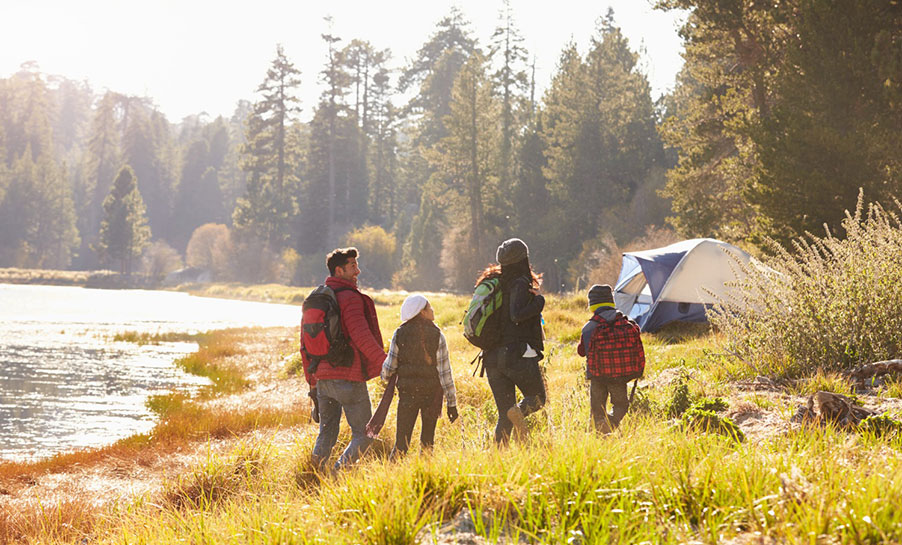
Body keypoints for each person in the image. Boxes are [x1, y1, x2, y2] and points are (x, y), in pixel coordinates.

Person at [302, 247, 387, 471]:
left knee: (326, 433)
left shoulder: (316, 299)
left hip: (322, 379)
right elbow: (361, 336)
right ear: (339, 271)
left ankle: (314, 476)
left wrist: (312, 381)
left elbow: (304, 345)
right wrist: (387, 363)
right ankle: (337, 473)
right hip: (348, 377)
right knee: (366, 433)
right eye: (353, 266)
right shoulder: (349, 298)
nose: (358, 271)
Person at [479, 238, 547, 444]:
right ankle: (517, 412)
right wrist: (539, 301)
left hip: (491, 357)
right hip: (516, 354)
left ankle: (499, 457)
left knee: (504, 413)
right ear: (524, 259)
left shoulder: (495, 283)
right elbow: (516, 314)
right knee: (537, 399)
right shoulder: (520, 283)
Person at [380, 294, 458, 457]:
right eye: (429, 307)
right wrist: (452, 403)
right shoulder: (437, 335)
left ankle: (394, 470)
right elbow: (445, 373)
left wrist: (385, 378)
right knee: (428, 443)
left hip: (407, 394)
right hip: (431, 395)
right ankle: (425, 471)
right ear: (422, 312)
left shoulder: (399, 333)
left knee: (401, 444)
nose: (432, 310)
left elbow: (389, 368)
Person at [577, 284, 642, 433]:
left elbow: (582, 352)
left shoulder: (589, 327)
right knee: (621, 405)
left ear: (592, 306)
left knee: (597, 408)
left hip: (597, 375)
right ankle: (610, 423)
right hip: (619, 375)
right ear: (612, 302)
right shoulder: (627, 323)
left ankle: (599, 432)